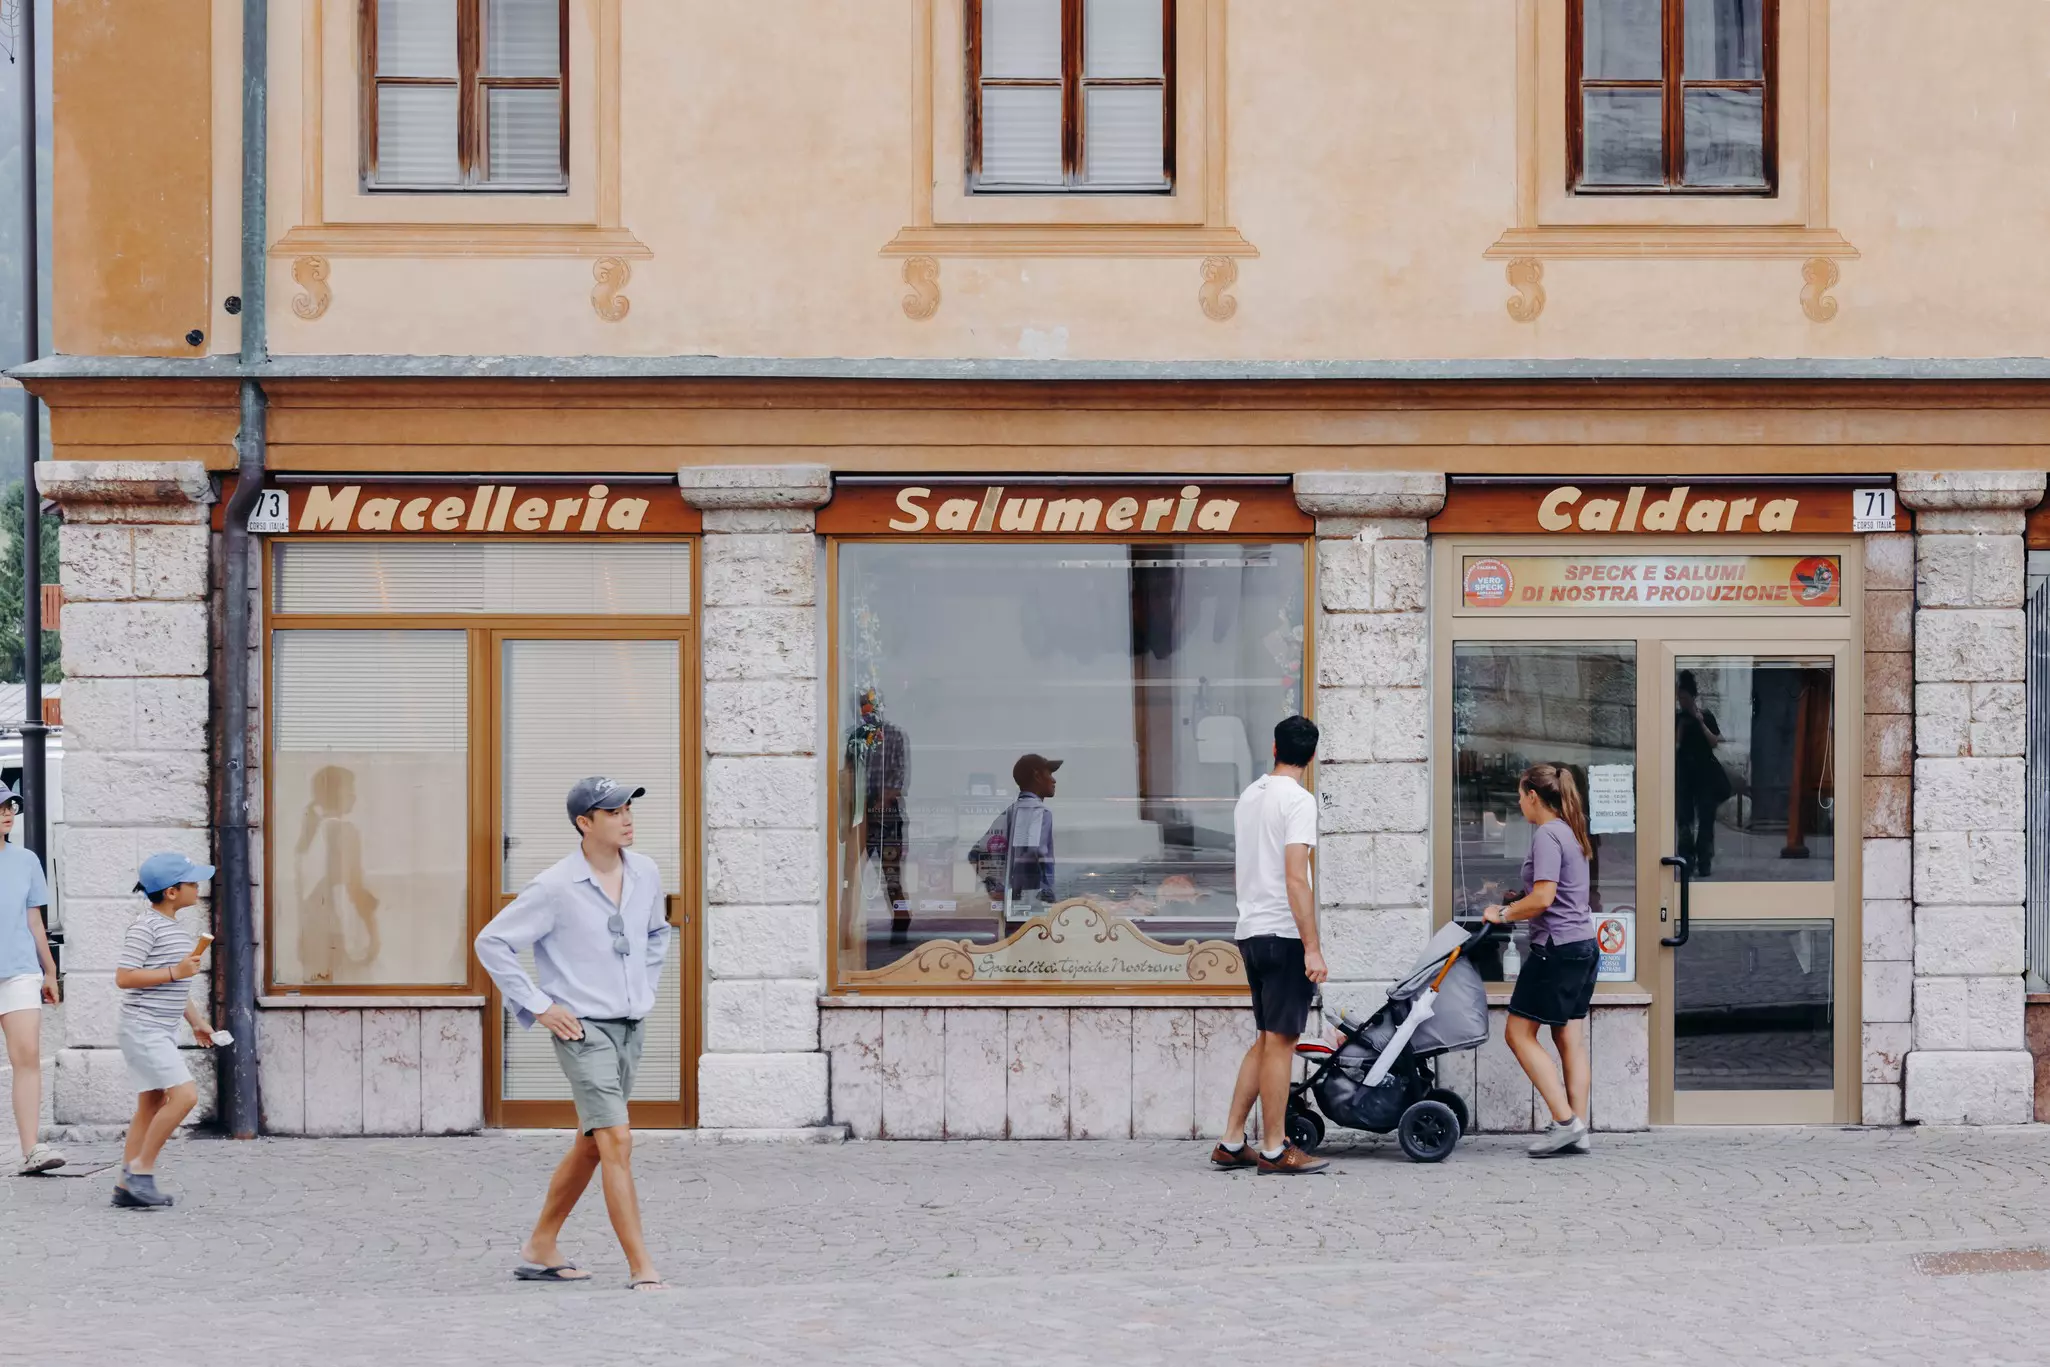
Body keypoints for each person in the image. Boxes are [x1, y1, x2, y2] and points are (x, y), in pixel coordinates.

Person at [475, 776, 672, 1292]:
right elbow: (492, 942)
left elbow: (656, 932)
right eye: (614, 811)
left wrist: (644, 989)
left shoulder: (645, 871)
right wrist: (540, 1006)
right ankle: (642, 1269)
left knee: (592, 1142)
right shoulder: (555, 886)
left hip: (631, 1025)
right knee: (617, 1139)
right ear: (585, 823)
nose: (628, 818)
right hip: (583, 1031)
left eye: (629, 809)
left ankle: (541, 1245)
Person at [1212, 715, 1329, 1176]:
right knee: (1281, 1042)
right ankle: (1276, 1149)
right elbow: (1296, 878)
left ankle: (1231, 1140)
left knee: (1264, 1040)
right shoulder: (1298, 801)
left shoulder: (1249, 797)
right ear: (1312, 756)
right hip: (1283, 934)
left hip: (1250, 929)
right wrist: (1313, 946)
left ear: (1274, 747)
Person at [1482, 764, 1598, 1158]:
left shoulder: (1548, 834)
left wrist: (1502, 913)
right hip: (1583, 945)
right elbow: (1557, 893)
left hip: (1558, 950)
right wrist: (1519, 897)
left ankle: (1565, 1124)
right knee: (1569, 1039)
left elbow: (1545, 898)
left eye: (1520, 795)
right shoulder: (1569, 829)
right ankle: (1578, 1128)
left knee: (1517, 1033)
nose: (1518, 803)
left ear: (1534, 796)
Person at [112, 852, 219, 1208]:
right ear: (172, 892)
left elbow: (174, 988)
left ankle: (125, 1187)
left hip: (159, 1028)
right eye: (191, 883)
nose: (197, 887)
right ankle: (140, 1170)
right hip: (144, 1028)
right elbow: (125, 977)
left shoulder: (173, 928)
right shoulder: (146, 926)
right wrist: (175, 971)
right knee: (185, 1097)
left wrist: (197, 1022)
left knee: (151, 1104)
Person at [0, 783, 64, 1175]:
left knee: (27, 1059)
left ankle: (32, 1150)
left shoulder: (26, 861)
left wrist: (50, 971)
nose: (7, 813)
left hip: (20, 972)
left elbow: (34, 920)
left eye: (9, 806)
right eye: (0, 807)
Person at [843, 688, 911, 945]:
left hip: (885, 814)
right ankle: (846, 927)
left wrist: (877, 805)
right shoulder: (853, 738)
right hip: (858, 815)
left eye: (870, 705)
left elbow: (898, 780)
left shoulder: (894, 736)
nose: (866, 711)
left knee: (891, 876)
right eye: (862, 706)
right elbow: (847, 775)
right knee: (850, 876)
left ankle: (902, 921)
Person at [971, 754, 1060, 923]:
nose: (1054, 780)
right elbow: (1035, 851)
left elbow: (976, 853)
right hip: (1035, 908)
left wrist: (995, 887)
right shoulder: (1040, 812)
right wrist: (1047, 893)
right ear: (1037, 776)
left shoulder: (1009, 813)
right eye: (1049, 773)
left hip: (1012, 906)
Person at [1675, 671, 1731, 880]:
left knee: (1706, 820)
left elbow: (1714, 742)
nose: (1682, 702)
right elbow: (1673, 746)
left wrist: (1700, 722)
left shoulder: (1705, 716)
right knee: (1684, 819)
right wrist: (1680, 728)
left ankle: (1704, 859)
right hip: (1684, 775)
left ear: (1693, 696)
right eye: (1679, 697)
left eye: (1685, 697)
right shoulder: (1677, 719)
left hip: (1705, 775)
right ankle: (1686, 860)